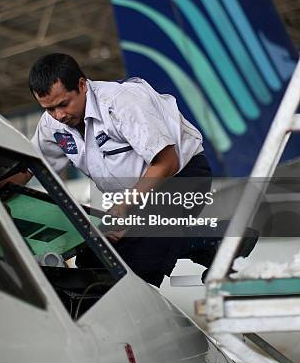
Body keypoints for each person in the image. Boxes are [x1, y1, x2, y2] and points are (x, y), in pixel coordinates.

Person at [27, 53, 252, 286]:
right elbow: (27, 166)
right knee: (94, 259)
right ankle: (215, 241)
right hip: (135, 198)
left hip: (179, 177)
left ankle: (217, 238)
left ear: (82, 85)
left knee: (135, 267)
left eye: (63, 104)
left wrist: (124, 206)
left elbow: (167, 162)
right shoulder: (52, 123)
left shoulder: (122, 101)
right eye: (49, 109)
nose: (58, 116)